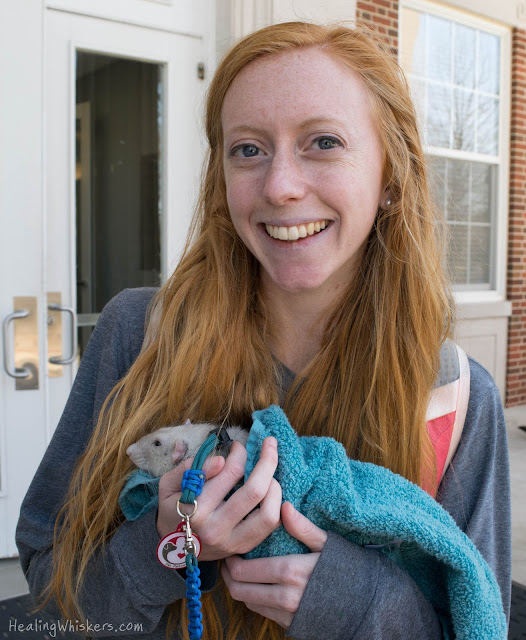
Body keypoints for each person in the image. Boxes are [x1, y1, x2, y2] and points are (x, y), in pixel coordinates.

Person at [16, 21, 511, 640]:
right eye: (247, 149)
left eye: (323, 142)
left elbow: (478, 618)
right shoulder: (139, 337)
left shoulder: (455, 397)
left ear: (389, 177)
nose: (279, 186)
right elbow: (45, 613)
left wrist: (359, 602)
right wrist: (163, 548)